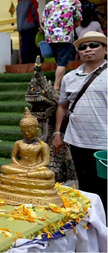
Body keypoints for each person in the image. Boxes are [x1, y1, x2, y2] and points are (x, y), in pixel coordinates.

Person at [52, 31, 106, 211]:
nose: (88, 49)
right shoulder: (69, 77)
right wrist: (58, 133)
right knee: (86, 187)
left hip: (104, 142)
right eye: (83, 47)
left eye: (94, 45)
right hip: (78, 141)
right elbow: (62, 107)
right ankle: (92, 227)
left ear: (105, 49)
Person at [42, 0, 83, 91]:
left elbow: (42, 22)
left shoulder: (50, 3)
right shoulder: (75, 2)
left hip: (50, 37)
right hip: (65, 36)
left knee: (59, 61)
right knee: (62, 63)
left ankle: (59, 83)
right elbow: (78, 22)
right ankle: (56, 88)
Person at [17, 0, 42, 65]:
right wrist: (38, 25)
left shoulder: (19, 5)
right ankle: (34, 62)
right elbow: (34, 13)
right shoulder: (32, 1)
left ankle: (25, 62)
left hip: (21, 27)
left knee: (24, 45)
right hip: (30, 25)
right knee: (32, 45)